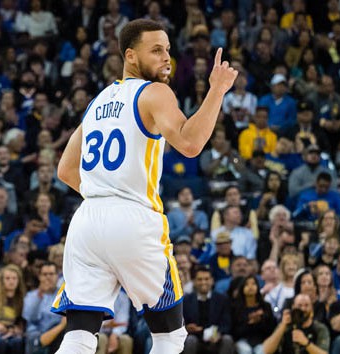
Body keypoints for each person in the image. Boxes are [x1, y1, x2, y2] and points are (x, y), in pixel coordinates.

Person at [52, 19, 238, 354]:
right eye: (156, 50)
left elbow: (65, 170)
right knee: (170, 336)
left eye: (168, 49)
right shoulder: (154, 92)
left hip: (86, 221)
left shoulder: (98, 101)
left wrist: (105, 192)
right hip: (132, 217)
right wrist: (217, 91)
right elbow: (190, 143)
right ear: (131, 56)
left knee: (79, 334)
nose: (167, 57)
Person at [182, 267, 234, 354]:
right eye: (200, 279)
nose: (203, 282)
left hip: (216, 339)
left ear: (212, 281)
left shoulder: (222, 299)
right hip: (195, 339)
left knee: (227, 339)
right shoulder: (186, 300)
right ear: (194, 281)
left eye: (206, 279)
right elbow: (181, 323)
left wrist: (218, 334)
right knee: (190, 340)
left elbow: (226, 323)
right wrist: (188, 328)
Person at [263, 294, 330, 354]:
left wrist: (306, 343)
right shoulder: (285, 327)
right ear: (293, 307)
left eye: (306, 305)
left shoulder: (320, 328)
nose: (303, 309)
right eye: (299, 305)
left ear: (312, 308)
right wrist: (283, 326)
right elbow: (266, 351)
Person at [23, 262, 66, 354]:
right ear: (39, 277)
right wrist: (40, 295)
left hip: (59, 332)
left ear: (57, 276)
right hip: (37, 332)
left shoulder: (63, 295)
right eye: (45, 274)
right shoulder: (32, 296)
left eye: (51, 274)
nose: (48, 277)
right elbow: (29, 317)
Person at [230, 276, 277, 354]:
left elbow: (271, 329)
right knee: (246, 350)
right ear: (242, 288)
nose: (250, 287)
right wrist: (249, 323)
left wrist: (260, 320)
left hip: (262, 340)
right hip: (242, 340)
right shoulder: (235, 307)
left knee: (260, 351)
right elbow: (234, 332)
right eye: (247, 284)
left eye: (253, 284)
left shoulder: (265, 306)